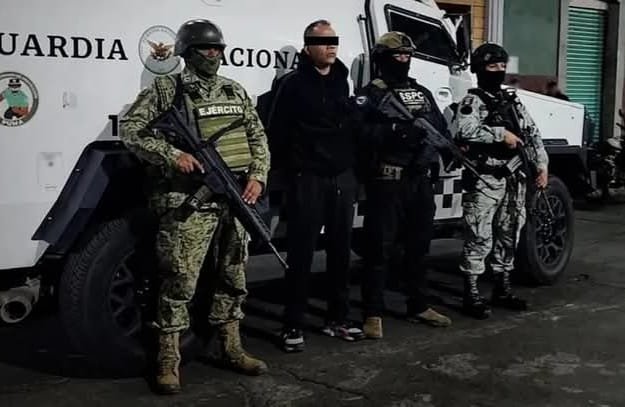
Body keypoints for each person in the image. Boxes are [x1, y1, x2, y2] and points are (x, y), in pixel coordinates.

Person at [119, 19, 270, 394]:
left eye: (218, 48)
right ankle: (168, 359)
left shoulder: (234, 90)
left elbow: (257, 136)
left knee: (233, 275)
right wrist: (172, 155)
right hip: (190, 200)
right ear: (187, 52)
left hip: (236, 196)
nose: (213, 54)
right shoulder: (168, 89)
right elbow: (131, 129)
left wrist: (258, 176)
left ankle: (231, 347)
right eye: (206, 48)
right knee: (180, 279)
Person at [267, 19, 363, 352]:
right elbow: (277, 131)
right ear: (308, 47)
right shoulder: (292, 85)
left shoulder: (342, 81)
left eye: (334, 40)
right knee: (302, 254)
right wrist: (288, 172)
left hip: (341, 178)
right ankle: (292, 324)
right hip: (306, 178)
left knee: (340, 252)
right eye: (324, 41)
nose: (331, 46)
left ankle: (338, 318)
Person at [353, 31, 453, 339]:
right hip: (388, 179)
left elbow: (438, 127)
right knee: (379, 249)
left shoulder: (421, 92)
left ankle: (418, 304)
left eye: (407, 55)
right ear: (382, 59)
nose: (403, 60)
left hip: (419, 180)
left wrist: (436, 150)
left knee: (419, 247)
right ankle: (372, 312)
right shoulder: (370, 94)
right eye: (397, 55)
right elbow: (357, 133)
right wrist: (394, 132)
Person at [451, 43, 549, 319]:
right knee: (479, 235)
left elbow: (532, 134)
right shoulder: (472, 102)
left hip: (515, 178)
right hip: (486, 178)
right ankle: (471, 293)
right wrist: (500, 135)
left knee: (510, 232)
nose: (498, 71)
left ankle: (502, 287)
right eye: (492, 67)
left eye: (502, 67)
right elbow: (464, 130)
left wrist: (541, 165)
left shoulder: (512, 102)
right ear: (479, 69)